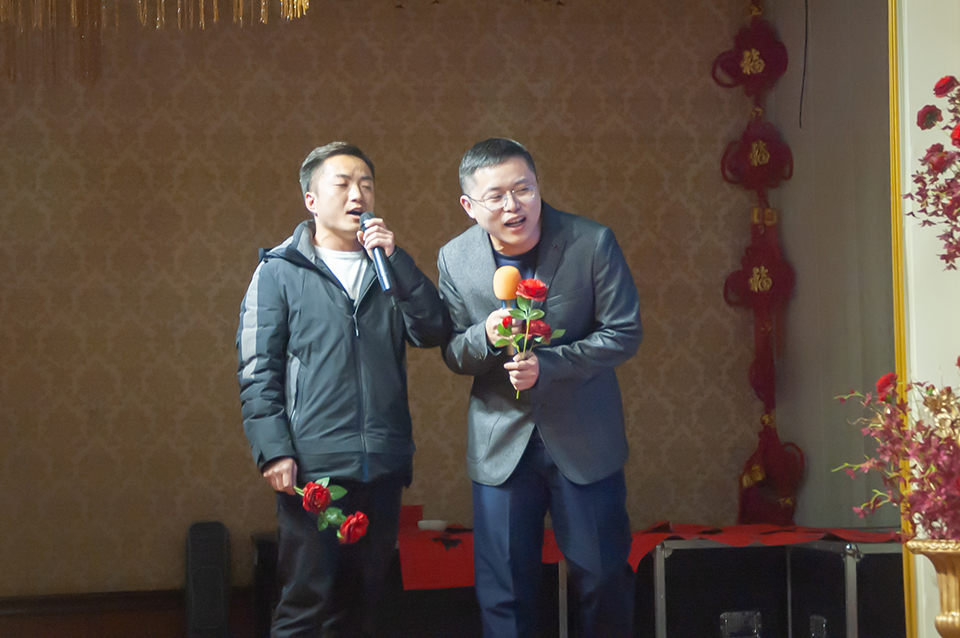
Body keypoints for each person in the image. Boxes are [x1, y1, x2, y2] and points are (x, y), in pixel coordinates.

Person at [237, 141, 449, 638]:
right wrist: (273, 451)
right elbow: (256, 370)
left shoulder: (387, 269)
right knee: (305, 605)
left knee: (363, 607)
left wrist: (398, 261)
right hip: (313, 468)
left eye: (366, 185)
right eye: (344, 184)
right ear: (311, 200)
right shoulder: (278, 271)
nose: (359, 195)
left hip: (383, 463)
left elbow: (433, 330)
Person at [437, 138, 642, 638]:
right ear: (469, 205)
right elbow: (453, 351)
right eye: (496, 196)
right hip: (500, 443)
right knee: (504, 591)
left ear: (537, 185)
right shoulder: (454, 258)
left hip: (583, 439)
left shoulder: (590, 242)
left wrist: (548, 365)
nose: (513, 206)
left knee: (602, 579)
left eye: (524, 189)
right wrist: (484, 336)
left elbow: (623, 332)